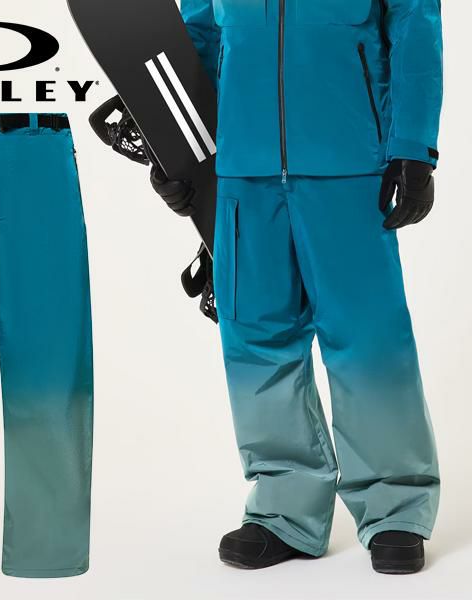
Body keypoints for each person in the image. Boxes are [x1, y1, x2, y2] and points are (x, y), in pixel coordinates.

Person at [152, 0, 443, 574]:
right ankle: (284, 509)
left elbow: (415, 24)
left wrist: (414, 147)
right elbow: (197, 40)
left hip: (349, 162)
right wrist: (176, 152)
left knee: (367, 335)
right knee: (255, 337)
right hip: (242, 169)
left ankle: (396, 506)